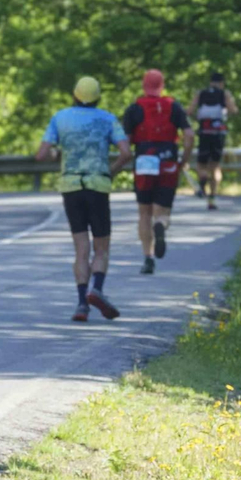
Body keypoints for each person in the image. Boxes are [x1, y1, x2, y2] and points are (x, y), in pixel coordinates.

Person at [37, 76, 132, 322]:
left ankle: (81, 304)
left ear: (75, 95)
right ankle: (96, 289)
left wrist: (56, 154)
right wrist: (110, 171)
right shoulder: (108, 119)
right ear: (98, 97)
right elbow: (126, 152)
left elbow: (41, 154)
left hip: (71, 187)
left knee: (81, 248)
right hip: (98, 186)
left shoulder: (60, 117)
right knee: (101, 248)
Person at [121, 69, 193, 275]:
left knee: (144, 212)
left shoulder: (134, 108)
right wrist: (184, 160)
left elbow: (125, 141)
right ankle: (160, 225)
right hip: (168, 160)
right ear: (162, 85)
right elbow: (189, 135)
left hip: (144, 159)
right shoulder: (174, 107)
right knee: (162, 212)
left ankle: (148, 258)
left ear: (144, 85)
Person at [189, 71, 237, 210]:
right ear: (222, 83)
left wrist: (196, 118)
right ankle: (212, 199)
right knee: (215, 166)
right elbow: (233, 110)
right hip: (218, 134)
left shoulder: (200, 93)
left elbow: (190, 111)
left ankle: (203, 179)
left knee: (201, 164)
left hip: (204, 132)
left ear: (210, 82)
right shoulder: (224, 94)